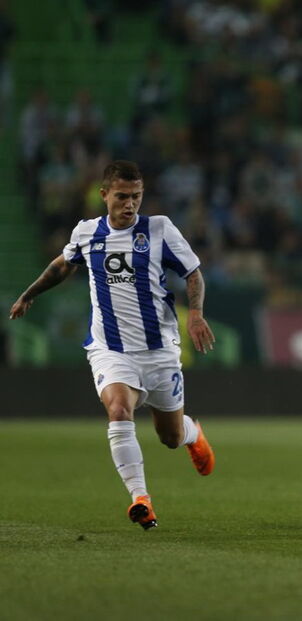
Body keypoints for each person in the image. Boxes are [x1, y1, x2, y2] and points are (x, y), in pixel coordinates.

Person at [8, 160, 216, 531]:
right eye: (122, 196)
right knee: (119, 411)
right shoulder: (87, 233)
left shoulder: (160, 229)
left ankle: (192, 434)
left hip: (160, 350)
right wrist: (29, 294)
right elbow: (62, 266)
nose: (130, 204)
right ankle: (141, 499)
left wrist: (196, 314)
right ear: (104, 195)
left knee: (168, 436)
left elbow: (193, 273)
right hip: (111, 349)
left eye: (136, 196)